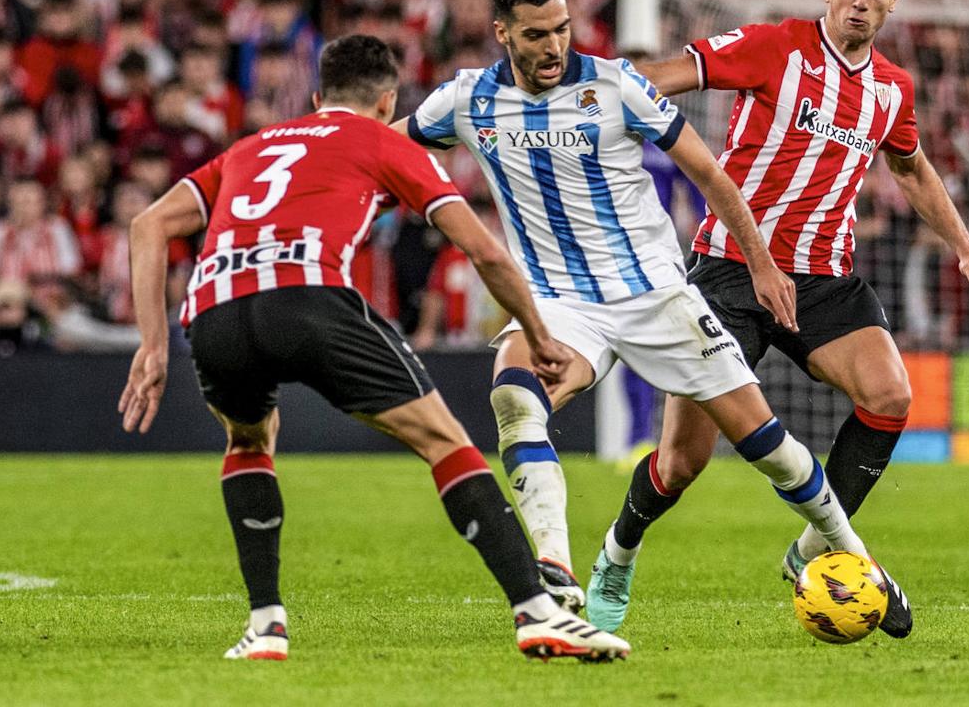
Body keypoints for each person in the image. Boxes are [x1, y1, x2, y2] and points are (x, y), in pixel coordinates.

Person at [394, 0, 906, 636]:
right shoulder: (465, 101)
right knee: (516, 404)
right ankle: (556, 570)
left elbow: (710, 173)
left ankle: (854, 554)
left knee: (765, 447)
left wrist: (761, 263)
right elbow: (383, 147)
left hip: (658, 294)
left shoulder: (614, 85)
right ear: (502, 34)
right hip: (559, 304)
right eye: (536, 35)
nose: (553, 47)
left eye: (562, 29)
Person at [117, 34, 628, 663]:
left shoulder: (251, 147)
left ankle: (265, 625)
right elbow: (486, 251)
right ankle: (538, 612)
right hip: (306, 294)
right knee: (445, 442)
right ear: (387, 102)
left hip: (213, 312)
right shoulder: (381, 140)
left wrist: (153, 344)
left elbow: (148, 226)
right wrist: (540, 334)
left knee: (248, 440)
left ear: (314, 98)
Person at [634, 0, 969, 597]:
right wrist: (603, 97)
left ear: (893, 2)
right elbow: (663, 77)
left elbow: (913, 169)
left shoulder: (892, 90)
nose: (860, 1)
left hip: (822, 279)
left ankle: (813, 550)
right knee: (682, 462)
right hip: (730, 270)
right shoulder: (774, 47)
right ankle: (619, 551)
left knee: (892, 395)